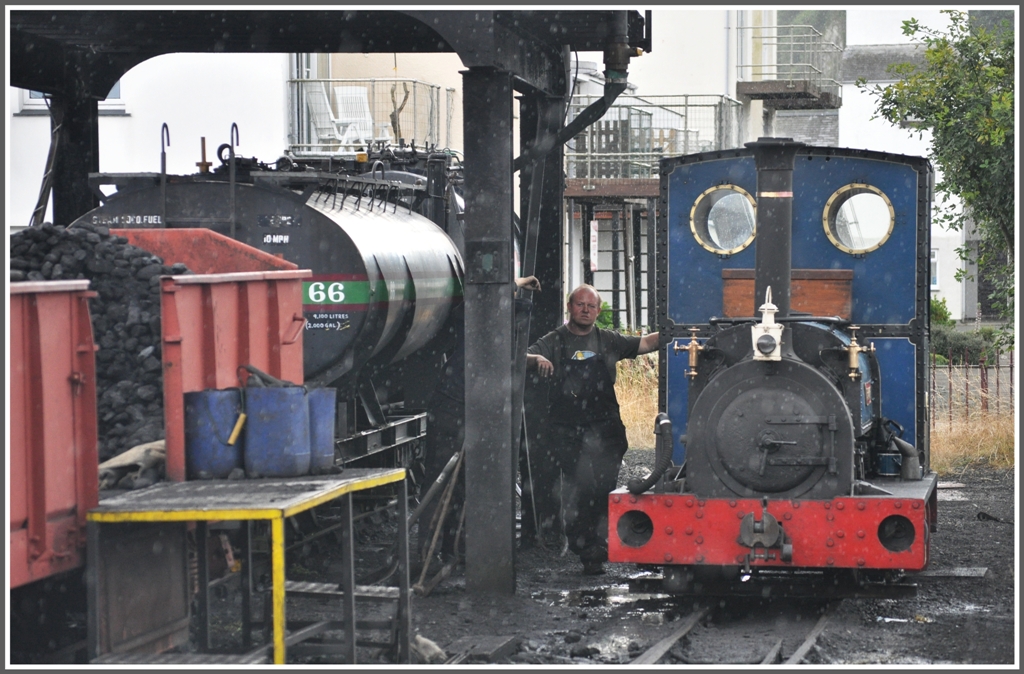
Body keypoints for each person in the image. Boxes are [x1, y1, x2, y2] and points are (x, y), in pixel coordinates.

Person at [526, 284, 658, 575]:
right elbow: (523, 357)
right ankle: (585, 547)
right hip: (567, 431)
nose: (585, 310)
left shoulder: (608, 340)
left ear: (598, 311)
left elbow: (646, 344)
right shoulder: (554, 341)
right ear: (569, 307)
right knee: (578, 489)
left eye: (591, 306)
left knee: (603, 489)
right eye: (580, 304)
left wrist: (677, 331)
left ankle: (599, 545)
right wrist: (538, 359)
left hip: (605, 430)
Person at [416, 275, 541, 571]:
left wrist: (532, 359)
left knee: (466, 482)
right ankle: (428, 555)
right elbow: (481, 296)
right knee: (441, 481)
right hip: (453, 404)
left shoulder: (499, 328)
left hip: (475, 406)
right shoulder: (471, 315)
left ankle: (454, 548)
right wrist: (517, 282)